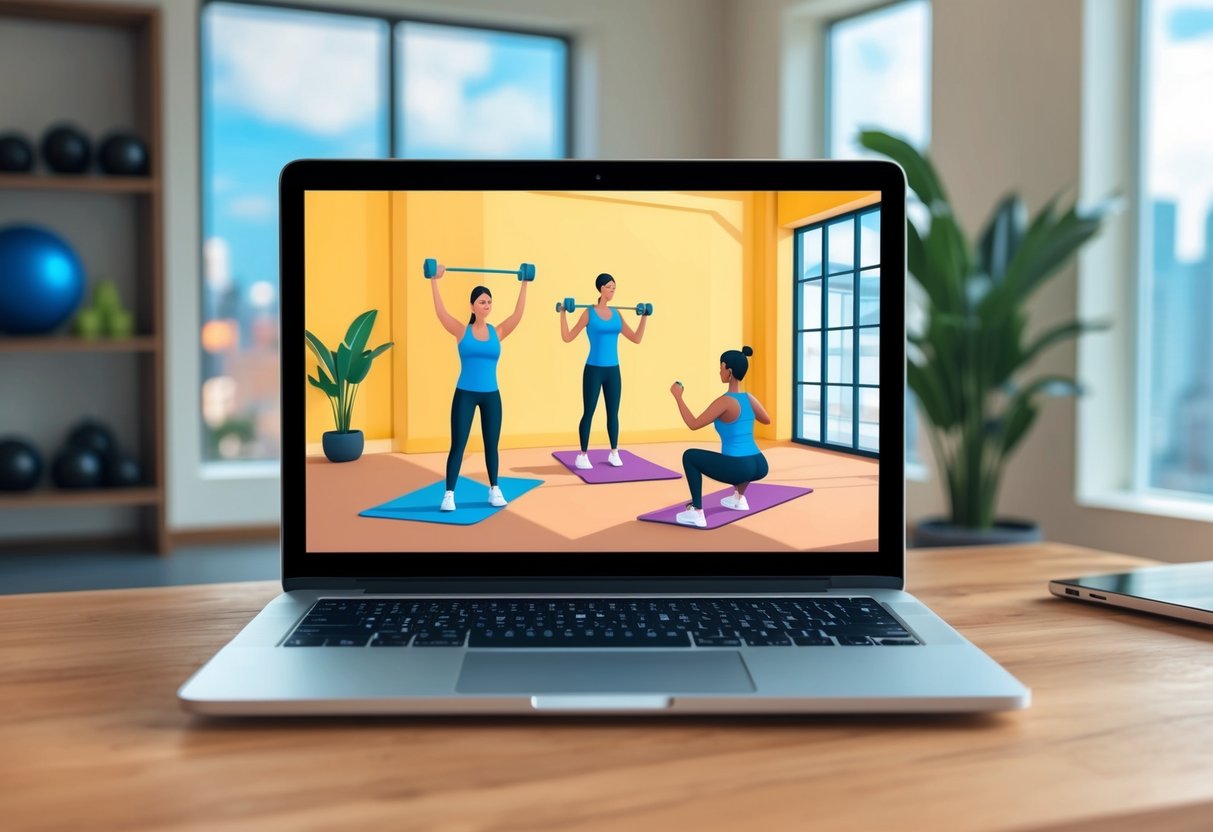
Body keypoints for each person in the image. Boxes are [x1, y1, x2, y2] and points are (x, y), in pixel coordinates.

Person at [429, 263, 528, 511]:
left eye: (489, 302)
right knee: (458, 444)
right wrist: (434, 280)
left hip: (491, 396)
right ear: (472, 306)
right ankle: (449, 494)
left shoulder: (499, 331)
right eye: (482, 302)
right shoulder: (461, 331)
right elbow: (440, 312)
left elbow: (518, 314)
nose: (487, 306)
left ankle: (494, 489)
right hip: (465, 394)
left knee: (491, 445)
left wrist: (524, 283)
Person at [669, 346, 771, 528]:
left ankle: (697, 512)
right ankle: (739, 499)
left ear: (729, 371)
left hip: (740, 467)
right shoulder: (749, 398)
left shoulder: (725, 401)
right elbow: (767, 420)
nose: (719, 372)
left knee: (690, 456)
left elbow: (693, 424)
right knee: (740, 459)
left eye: (721, 367)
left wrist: (678, 397)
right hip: (759, 464)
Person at [559, 273, 648, 469]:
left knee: (613, 413)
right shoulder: (588, 313)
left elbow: (635, 338)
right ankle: (582, 455)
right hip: (593, 370)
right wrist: (563, 313)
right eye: (609, 287)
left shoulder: (617, 313)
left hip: (613, 371)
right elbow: (567, 337)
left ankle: (614, 452)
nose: (612, 290)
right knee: (589, 412)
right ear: (600, 289)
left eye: (614, 287)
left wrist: (644, 318)